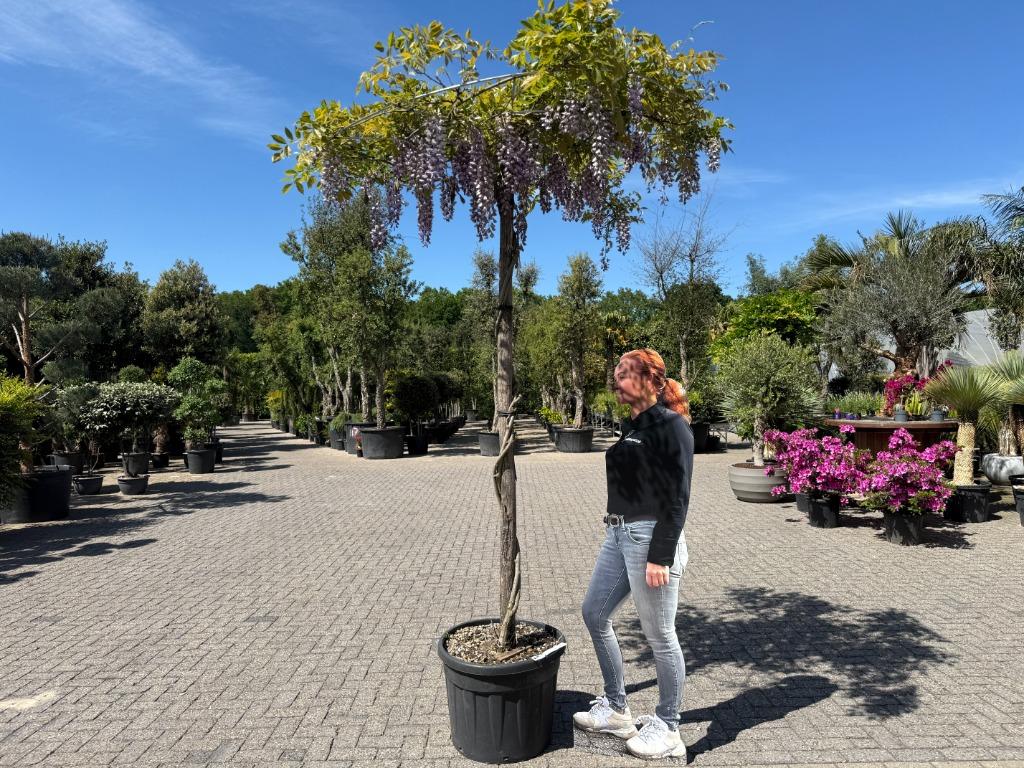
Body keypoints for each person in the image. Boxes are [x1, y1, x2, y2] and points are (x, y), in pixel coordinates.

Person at [573, 348, 694, 760]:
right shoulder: (634, 426)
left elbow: (677, 498)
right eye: (616, 374)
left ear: (653, 381)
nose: (617, 381)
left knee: (660, 635)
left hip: (651, 540)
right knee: (594, 613)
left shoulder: (671, 426)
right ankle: (618, 708)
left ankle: (669, 728)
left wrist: (661, 555)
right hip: (619, 533)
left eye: (624, 374)